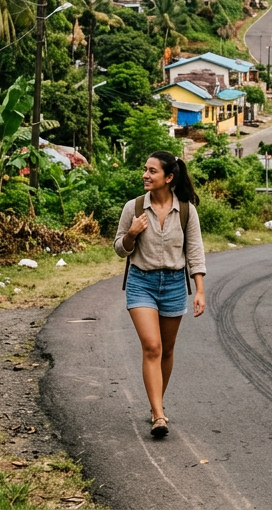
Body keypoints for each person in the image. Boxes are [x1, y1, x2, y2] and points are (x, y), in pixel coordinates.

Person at [113, 150, 206, 439]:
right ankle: (159, 415)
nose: (145, 175)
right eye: (145, 169)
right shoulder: (135, 207)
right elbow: (119, 248)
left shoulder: (187, 210)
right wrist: (131, 234)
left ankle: (156, 405)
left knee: (166, 349)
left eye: (152, 171)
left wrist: (199, 289)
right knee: (152, 347)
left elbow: (195, 251)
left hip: (175, 284)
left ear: (169, 177)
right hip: (142, 282)